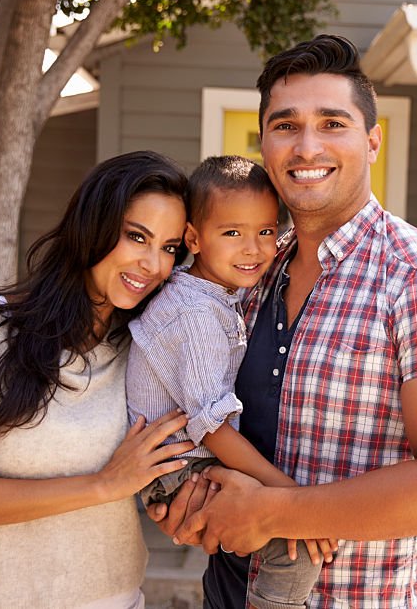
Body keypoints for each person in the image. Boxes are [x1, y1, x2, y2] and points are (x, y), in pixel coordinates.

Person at [150, 35, 417, 607]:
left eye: (332, 123)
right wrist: (186, 502)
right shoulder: (251, 268)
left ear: (372, 142)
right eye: (286, 126)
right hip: (226, 591)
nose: (306, 146)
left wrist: (274, 513)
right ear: (264, 144)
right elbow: (186, 394)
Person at [0, 151, 194, 608]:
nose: (153, 265)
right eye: (137, 236)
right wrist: (103, 485)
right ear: (92, 227)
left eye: (170, 248)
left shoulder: (149, 350)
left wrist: (176, 502)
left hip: (108, 598)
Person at [126, 155, 331, 609]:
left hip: (187, 459)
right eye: (233, 233)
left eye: (265, 231)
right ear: (195, 239)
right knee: (292, 543)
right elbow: (213, 426)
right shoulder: (197, 315)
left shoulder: (214, 291)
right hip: (179, 469)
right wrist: (289, 498)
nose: (254, 249)